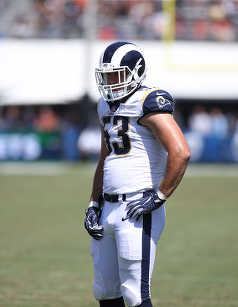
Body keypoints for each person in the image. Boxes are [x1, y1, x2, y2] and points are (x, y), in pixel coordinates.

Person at [84, 41, 191, 307]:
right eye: (106, 75)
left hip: (137, 207)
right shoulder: (104, 106)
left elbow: (181, 152)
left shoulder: (148, 101)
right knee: (105, 291)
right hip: (107, 206)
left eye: (116, 74)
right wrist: (93, 203)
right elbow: (105, 158)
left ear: (135, 72)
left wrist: (159, 196)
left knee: (134, 294)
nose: (109, 82)